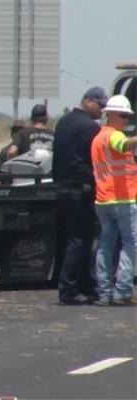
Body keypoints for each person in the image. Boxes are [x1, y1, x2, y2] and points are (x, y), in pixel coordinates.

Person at [52, 87, 107, 305]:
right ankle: (70, 289)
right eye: (100, 105)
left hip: (63, 187)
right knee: (81, 240)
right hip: (80, 189)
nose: (102, 110)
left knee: (71, 239)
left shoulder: (64, 121)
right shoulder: (90, 127)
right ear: (87, 101)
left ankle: (76, 286)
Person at [90, 95, 137, 306]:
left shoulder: (97, 138)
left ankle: (104, 292)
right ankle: (123, 291)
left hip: (103, 200)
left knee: (105, 246)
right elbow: (124, 145)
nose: (126, 120)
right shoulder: (113, 136)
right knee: (131, 244)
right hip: (122, 199)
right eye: (123, 115)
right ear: (109, 115)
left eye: (128, 116)